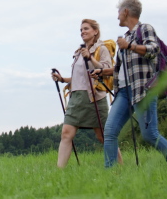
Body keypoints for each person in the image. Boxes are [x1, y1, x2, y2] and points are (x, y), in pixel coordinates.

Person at [92, 0, 167, 168]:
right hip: (123, 92)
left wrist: (130, 46)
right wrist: (102, 72)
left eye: (119, 12)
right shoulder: (125, 37)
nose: (117, 16)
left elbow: (153, 49)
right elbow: (119, 68)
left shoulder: (145, 29)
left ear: (125, 12)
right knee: (109, 132)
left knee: (150, 135)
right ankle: (110, 174)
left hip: (143, 90)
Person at [51, 19, 123, 168]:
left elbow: (107, 69)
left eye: (86, 29)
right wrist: (62, 79)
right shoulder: (78, 52)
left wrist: (89, 57)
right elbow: (79, 77)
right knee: (66, 133)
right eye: (81, 30)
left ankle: (120, 168)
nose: (82, 32)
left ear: (95, 31)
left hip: (94, 97)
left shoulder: (101, 49)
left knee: (104, 137)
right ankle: (58, 172)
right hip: (76, 97)